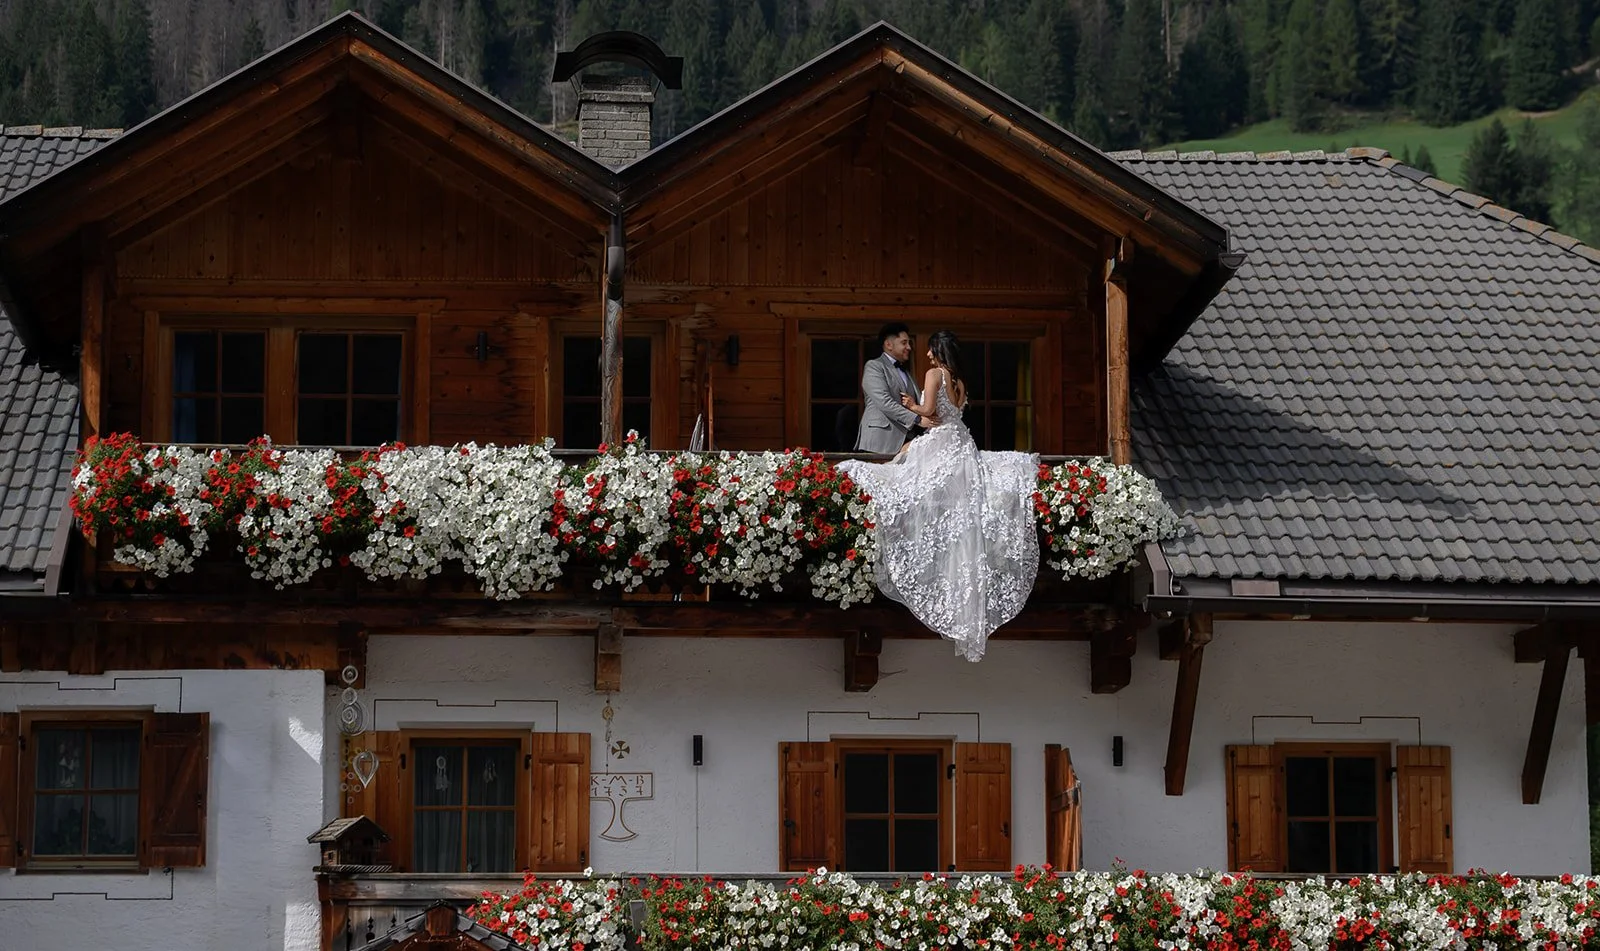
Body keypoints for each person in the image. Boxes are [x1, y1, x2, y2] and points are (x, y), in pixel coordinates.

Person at [838, 331, 1040, 661]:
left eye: (930, 350)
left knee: (906, 480)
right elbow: (951, 412)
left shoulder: (934, 375)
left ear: (937, 350)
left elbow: (930, 411)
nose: (927, 356)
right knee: (959, 503)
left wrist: (911, 405)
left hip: (942, 441)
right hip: (961, 442)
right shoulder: (959, 381)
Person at [853, 323, 925, 454]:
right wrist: (917, 419)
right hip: (880, 441)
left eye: (909, 343)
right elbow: (884, 401)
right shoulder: (874, 366)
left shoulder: (907, 373)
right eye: (904, 343)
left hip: (907, 443)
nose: (909, 347)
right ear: (889, 345)